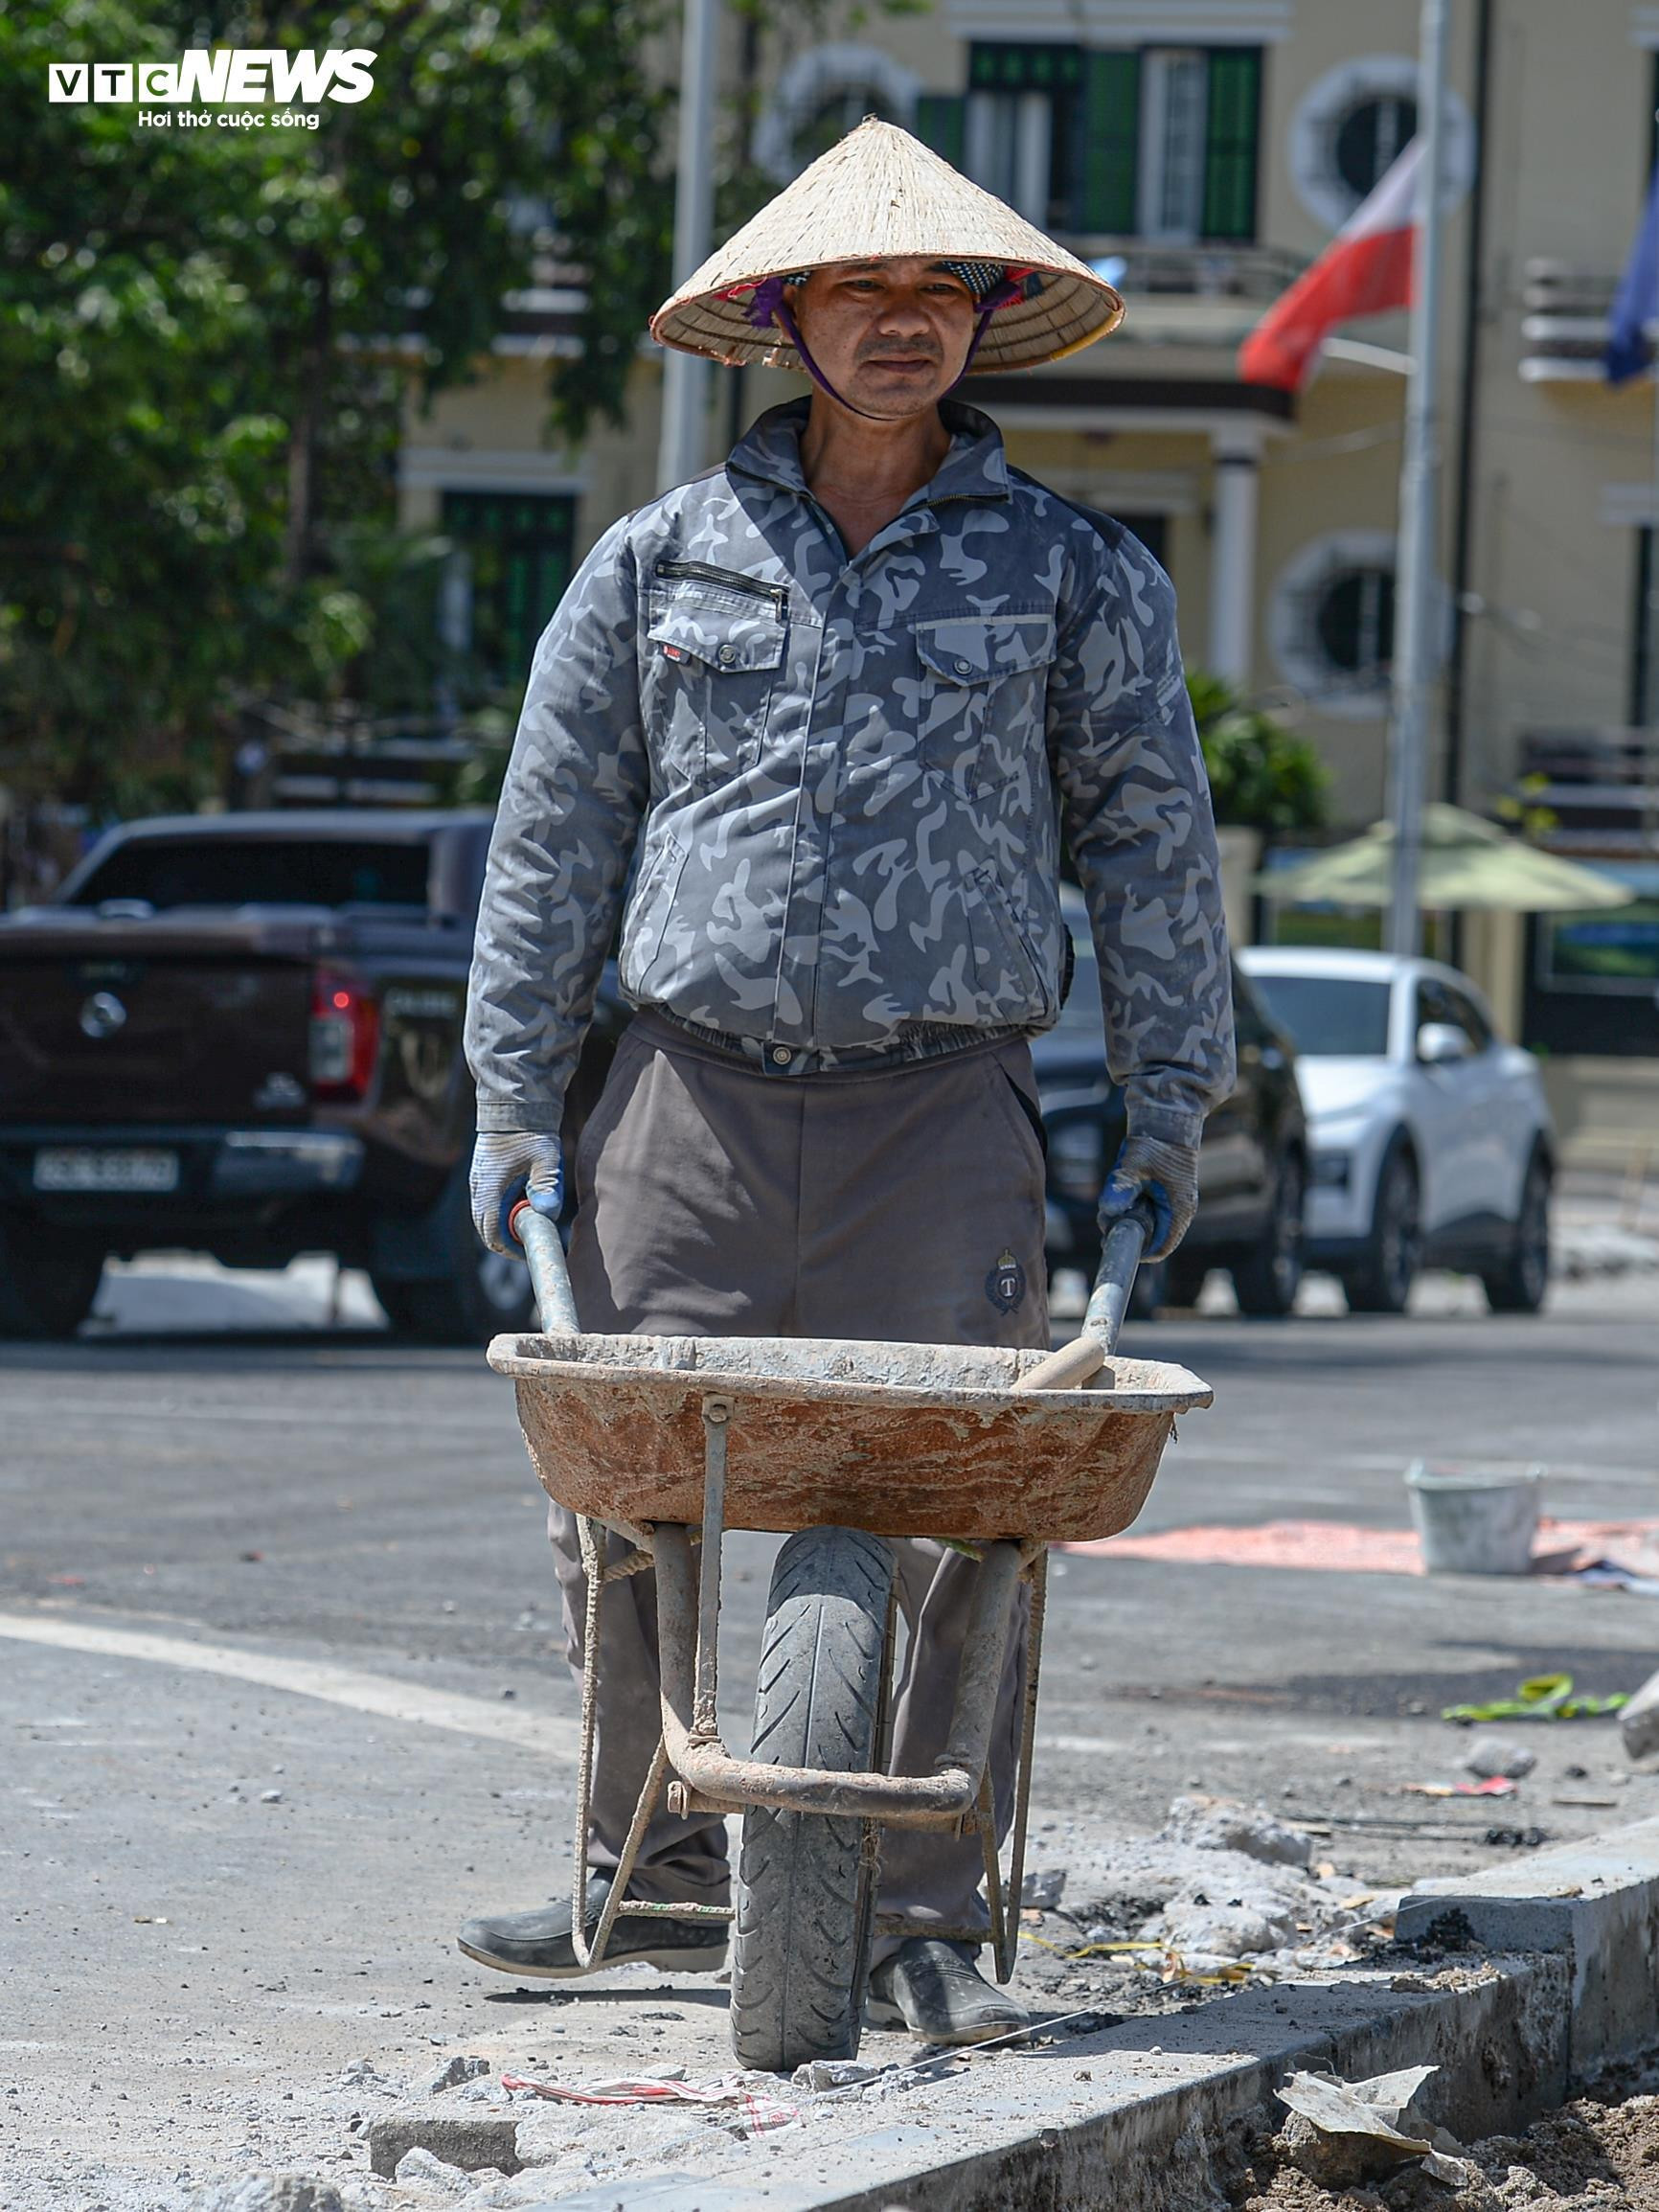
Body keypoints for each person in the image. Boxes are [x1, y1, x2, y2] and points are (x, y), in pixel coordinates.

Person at [459, 118, 1235, 2047]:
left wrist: (1163, 1115)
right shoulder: (653, 567)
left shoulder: (1076, 579)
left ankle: (912, 1903)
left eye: (934, 294)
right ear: (783, 322)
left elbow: (1149, 852)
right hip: (680, 1105)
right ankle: (642, 1879)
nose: (901, 326)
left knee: (969, 1499)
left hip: (939, 1114)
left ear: (978, 324)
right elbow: (552, 847)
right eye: (858, 292)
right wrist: (508, 1101)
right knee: (623, 1491)